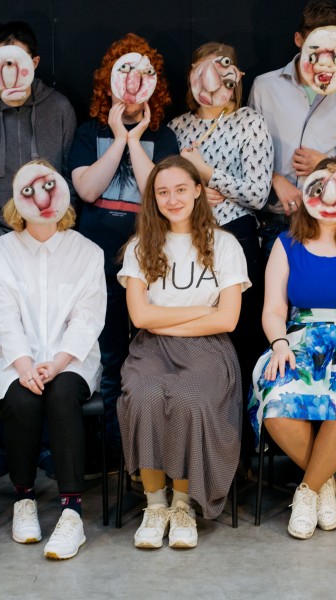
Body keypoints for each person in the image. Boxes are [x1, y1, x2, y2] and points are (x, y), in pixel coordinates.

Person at [0, 161, 105, 560]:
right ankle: (23, 498)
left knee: (62, 395)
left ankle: (71, 512)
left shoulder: (87, 252)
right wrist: (25, 365)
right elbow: (2, 318)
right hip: (12, 357)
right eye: (30, 191)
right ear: (17, 199)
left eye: (49, 188)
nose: (42, 199)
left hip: (70, 356)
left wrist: (57, 363)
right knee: (22, 399)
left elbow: (88, 318)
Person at [249, 156, 336, 540]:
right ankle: (322, 483)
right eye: (321, 189)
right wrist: (279, 345)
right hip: (295, 340)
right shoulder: (286, 244)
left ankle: (306, 491)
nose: (331, 198)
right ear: (309, 192)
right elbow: (273, 309)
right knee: (274, 398)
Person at [118, 155, 249, 549]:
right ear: (153, 198)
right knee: (144, 395)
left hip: (209, 348)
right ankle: (155, 505)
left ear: (197, 191)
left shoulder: (224, 244)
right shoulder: (140, 245)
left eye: (180, 189)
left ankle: (181, 505)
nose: (172, 199)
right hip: (151, 348)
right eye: (163, 192)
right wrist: (201, 312)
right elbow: (140, 317)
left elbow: (228, 320)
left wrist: (165, 318)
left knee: (190, 399)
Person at [68, 34, 179, 452]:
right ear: (108, 80)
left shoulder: (163, 138)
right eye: (124, 71)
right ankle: (114, 449)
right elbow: (88, 190)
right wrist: (118, 138)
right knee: (109, 356)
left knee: (152, 355)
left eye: (144, 73)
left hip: (149, 262)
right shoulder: (88, 133)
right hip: (97, 262)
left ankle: (149, 444)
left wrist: (136, 139)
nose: (133, 82)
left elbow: (158, 193)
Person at [168, 41, 273, 463]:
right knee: (194, 339)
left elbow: (258, 193)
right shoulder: (176, 127)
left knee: (241, 340)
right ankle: (192, 445)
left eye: (220, 78)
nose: (211, 87)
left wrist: (210, 175)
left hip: (237, 236)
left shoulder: (250, 122)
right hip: (186, 242)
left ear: (235, 80)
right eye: (202, 76)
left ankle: (240, 451)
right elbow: (166, 188)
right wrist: (196, 190)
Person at [248, 1, 336, 250]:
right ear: (299, 40)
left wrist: (328, 165)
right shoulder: (264, 87)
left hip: (328, 223)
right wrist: (273, 179)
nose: (325, 58)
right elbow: (247, 154)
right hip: (273, 221)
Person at [0, 21, 77, 249]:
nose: (10, 71)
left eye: (18, 60)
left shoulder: (60, 108)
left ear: (34, 62)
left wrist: (55, 231)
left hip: (51, 236)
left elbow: (71, 178)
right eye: (3, 62)